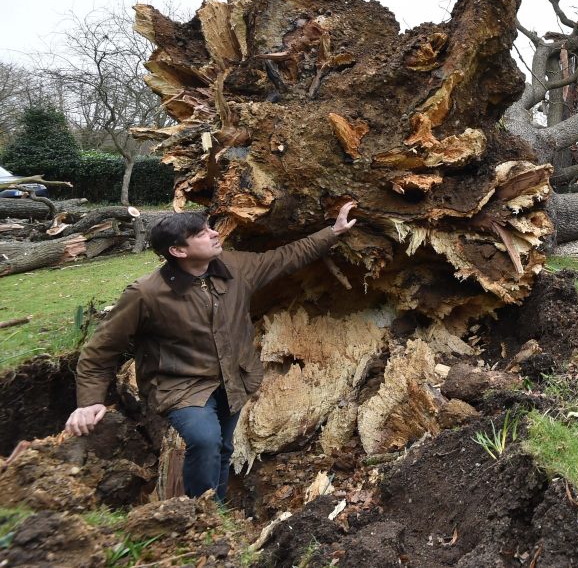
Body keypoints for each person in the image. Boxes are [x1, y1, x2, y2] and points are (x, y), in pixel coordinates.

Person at [65, 201, 358, 503]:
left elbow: (284, 257)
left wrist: (333, 231)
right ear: (178, 251)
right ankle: (203, 512)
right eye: (202, 233)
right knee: (205, 441)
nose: (215, 234)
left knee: (223, 447)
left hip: (234, 378)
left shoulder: (235, 268)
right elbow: (101, 350)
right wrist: (88, 402)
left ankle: (214, 510)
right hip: (181, 386)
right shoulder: (145, 294)